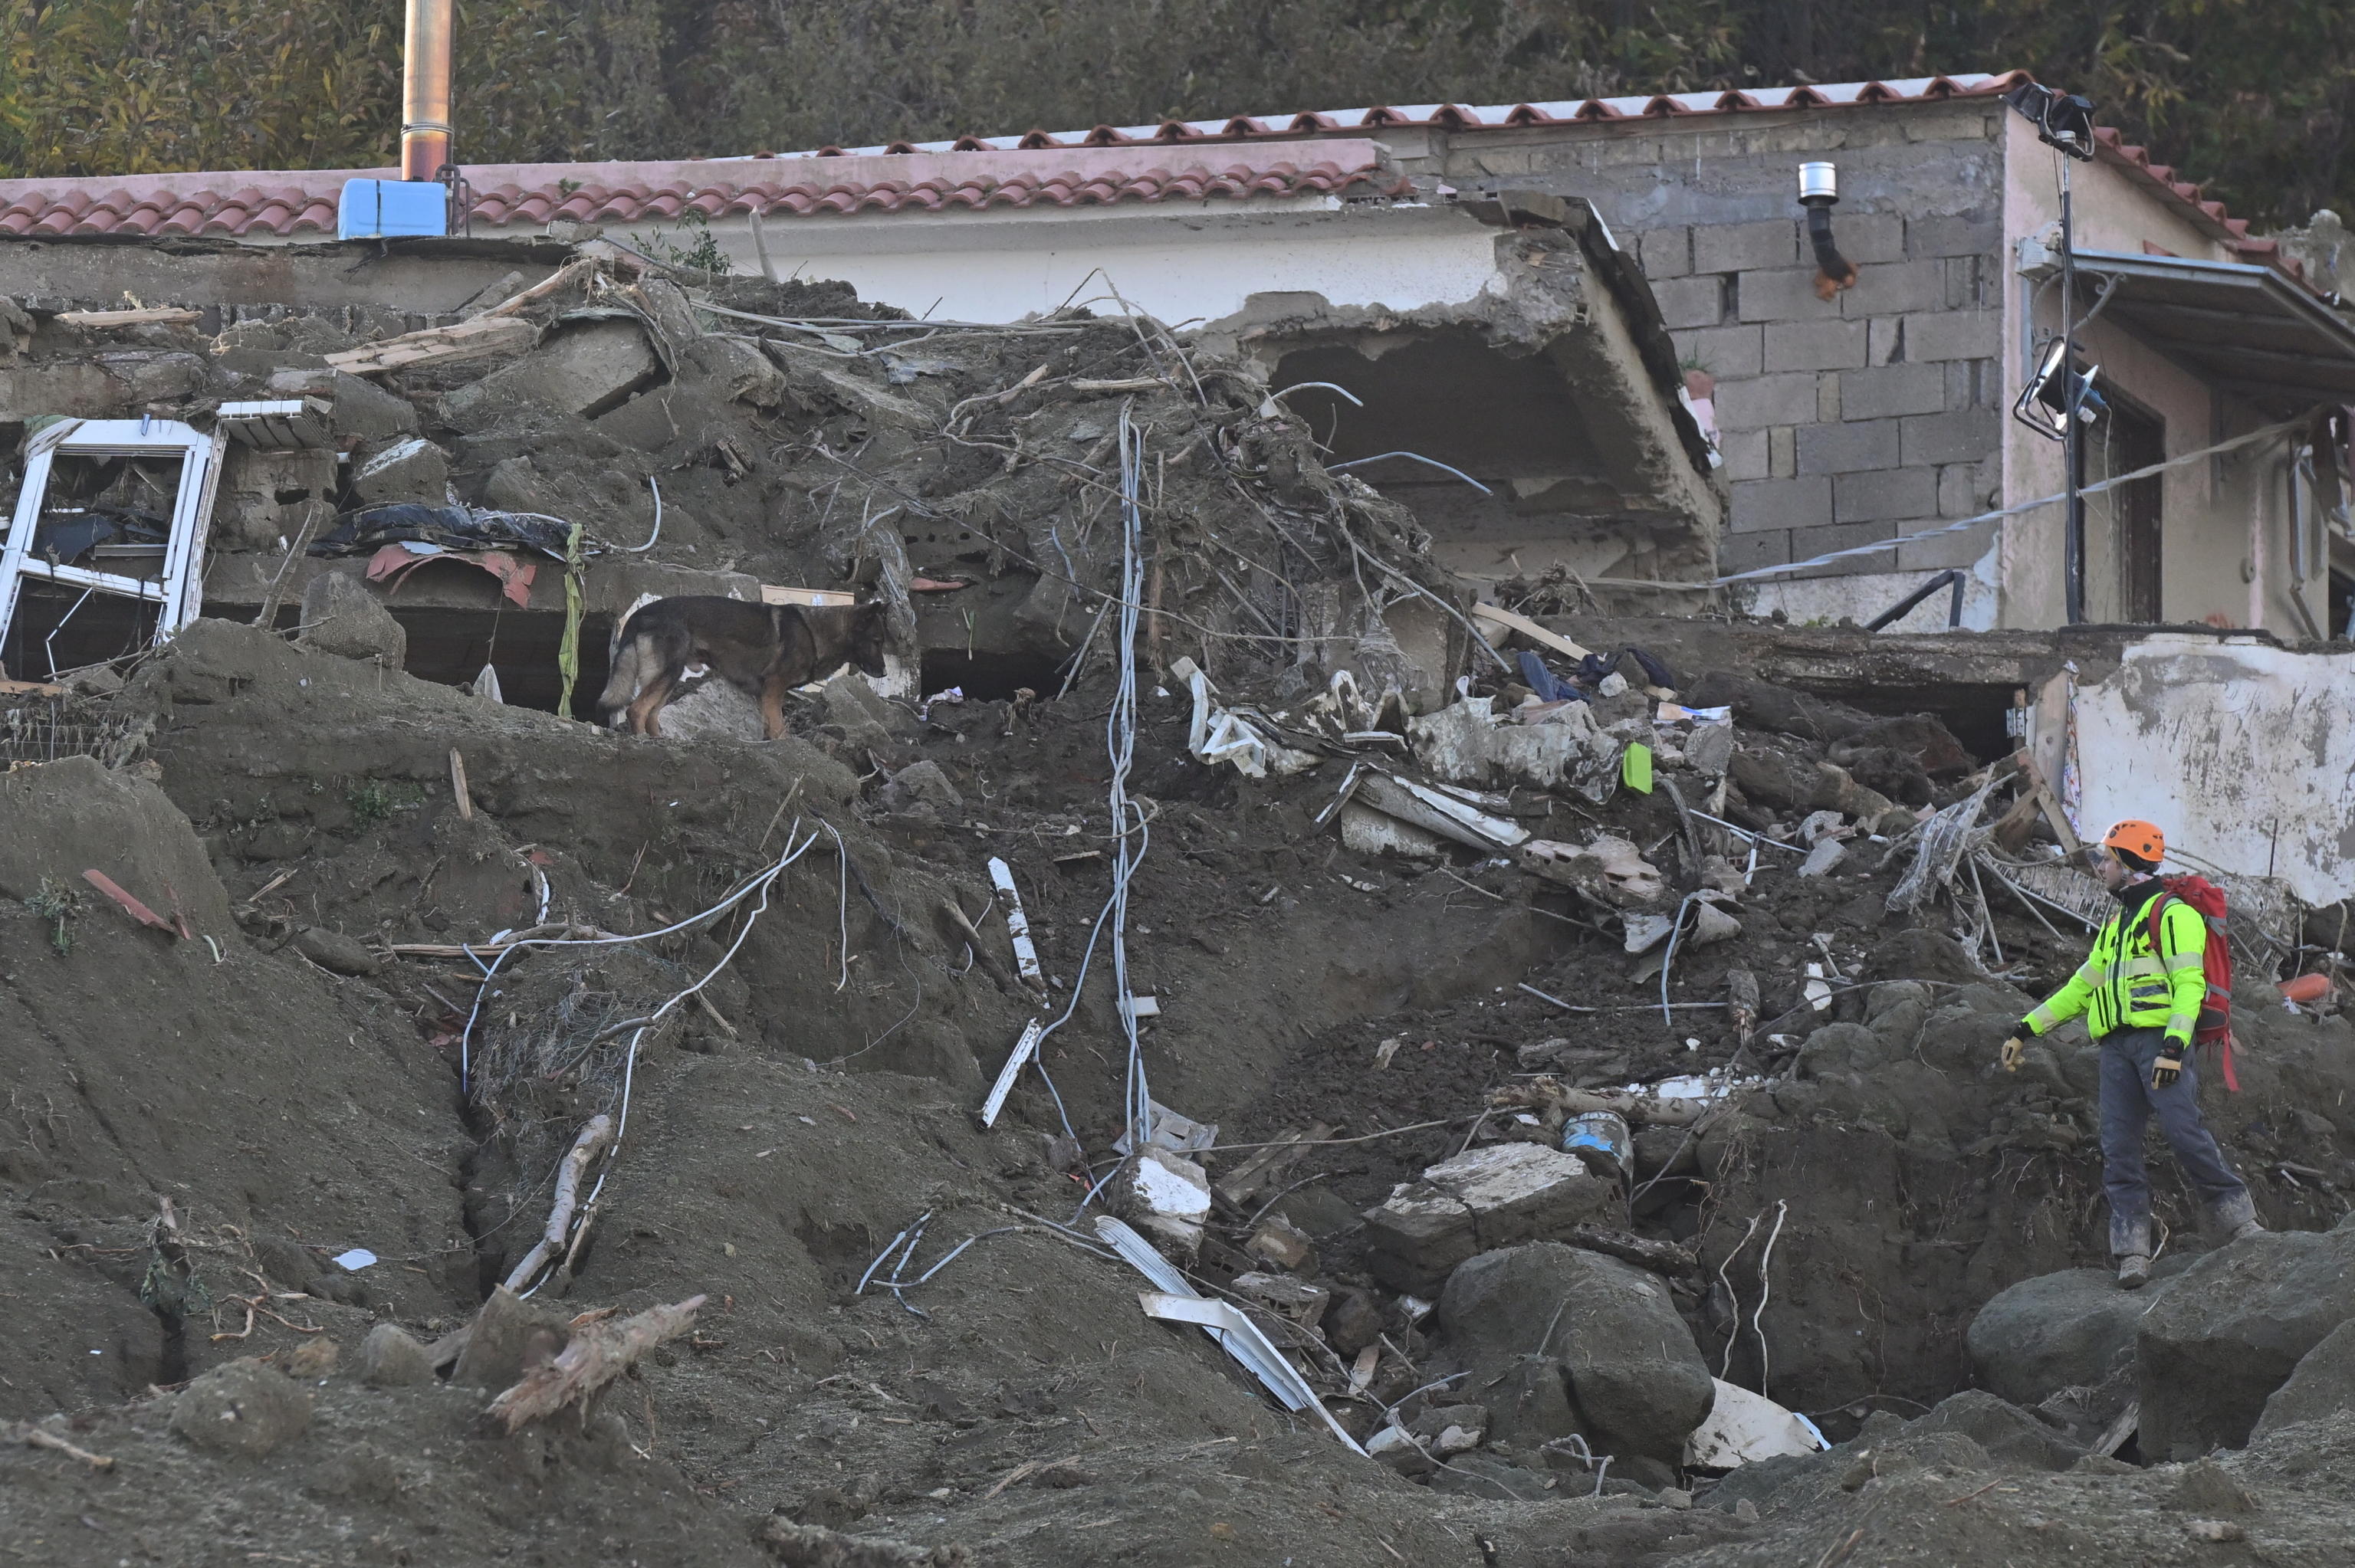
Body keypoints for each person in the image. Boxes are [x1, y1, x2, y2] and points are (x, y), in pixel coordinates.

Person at [2002, 818, 2261, 1288]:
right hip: (2116, 1050)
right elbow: (2083, 987)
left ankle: (2242, 1224)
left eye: (2105, 858)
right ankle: (2132, 1254)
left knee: (2185, 1134)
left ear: (2127, 862)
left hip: (2159, 1043)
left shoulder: (2174, 914)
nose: (2098, 866)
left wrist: (2173, 1045)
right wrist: (2026, 1028)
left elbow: (2189, 984)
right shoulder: (2117, 924)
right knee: (2119, 1149)